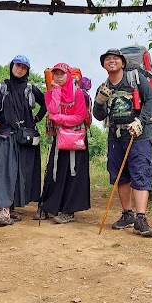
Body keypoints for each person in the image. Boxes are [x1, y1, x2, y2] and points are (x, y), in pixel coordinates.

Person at [92, 48, 152, 237]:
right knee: (120, 176)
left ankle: (141, 218)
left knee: (140, 173)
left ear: (122, 62)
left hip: (139, 135)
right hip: (115, 136)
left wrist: (140, 121)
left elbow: (151, 101)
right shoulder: (103, 87)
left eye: (115, 58)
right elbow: (99, 116)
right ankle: (127, 214)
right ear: (104, 65)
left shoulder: (135, 78)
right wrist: (99, 101)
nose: (111, 61)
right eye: (107, 59)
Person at [0, 55, 47, 226]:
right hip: (6, 134)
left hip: (25, 137)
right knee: (5, 171)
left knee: (22, 172)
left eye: (24, 67)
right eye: (17, 66)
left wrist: (37, 118)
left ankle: (12, 207)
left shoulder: (30, 88)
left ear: (27, 71)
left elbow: (46, 103)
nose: (20, 69)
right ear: (12, 66)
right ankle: (3, 209)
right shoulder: (2, 87)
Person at [39, 62, 91, 224]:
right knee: (55, 172)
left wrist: (60, 119)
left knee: (73, 173)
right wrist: (56, 90)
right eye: (56, 74)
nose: (59, 77)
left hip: (77, 138)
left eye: (62, 74)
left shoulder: (78, 94)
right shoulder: (49, 93)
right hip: (60, 137)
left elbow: (80, 116)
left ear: (68, 75)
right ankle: (49, 207)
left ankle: (69, 211)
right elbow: (53, 110)